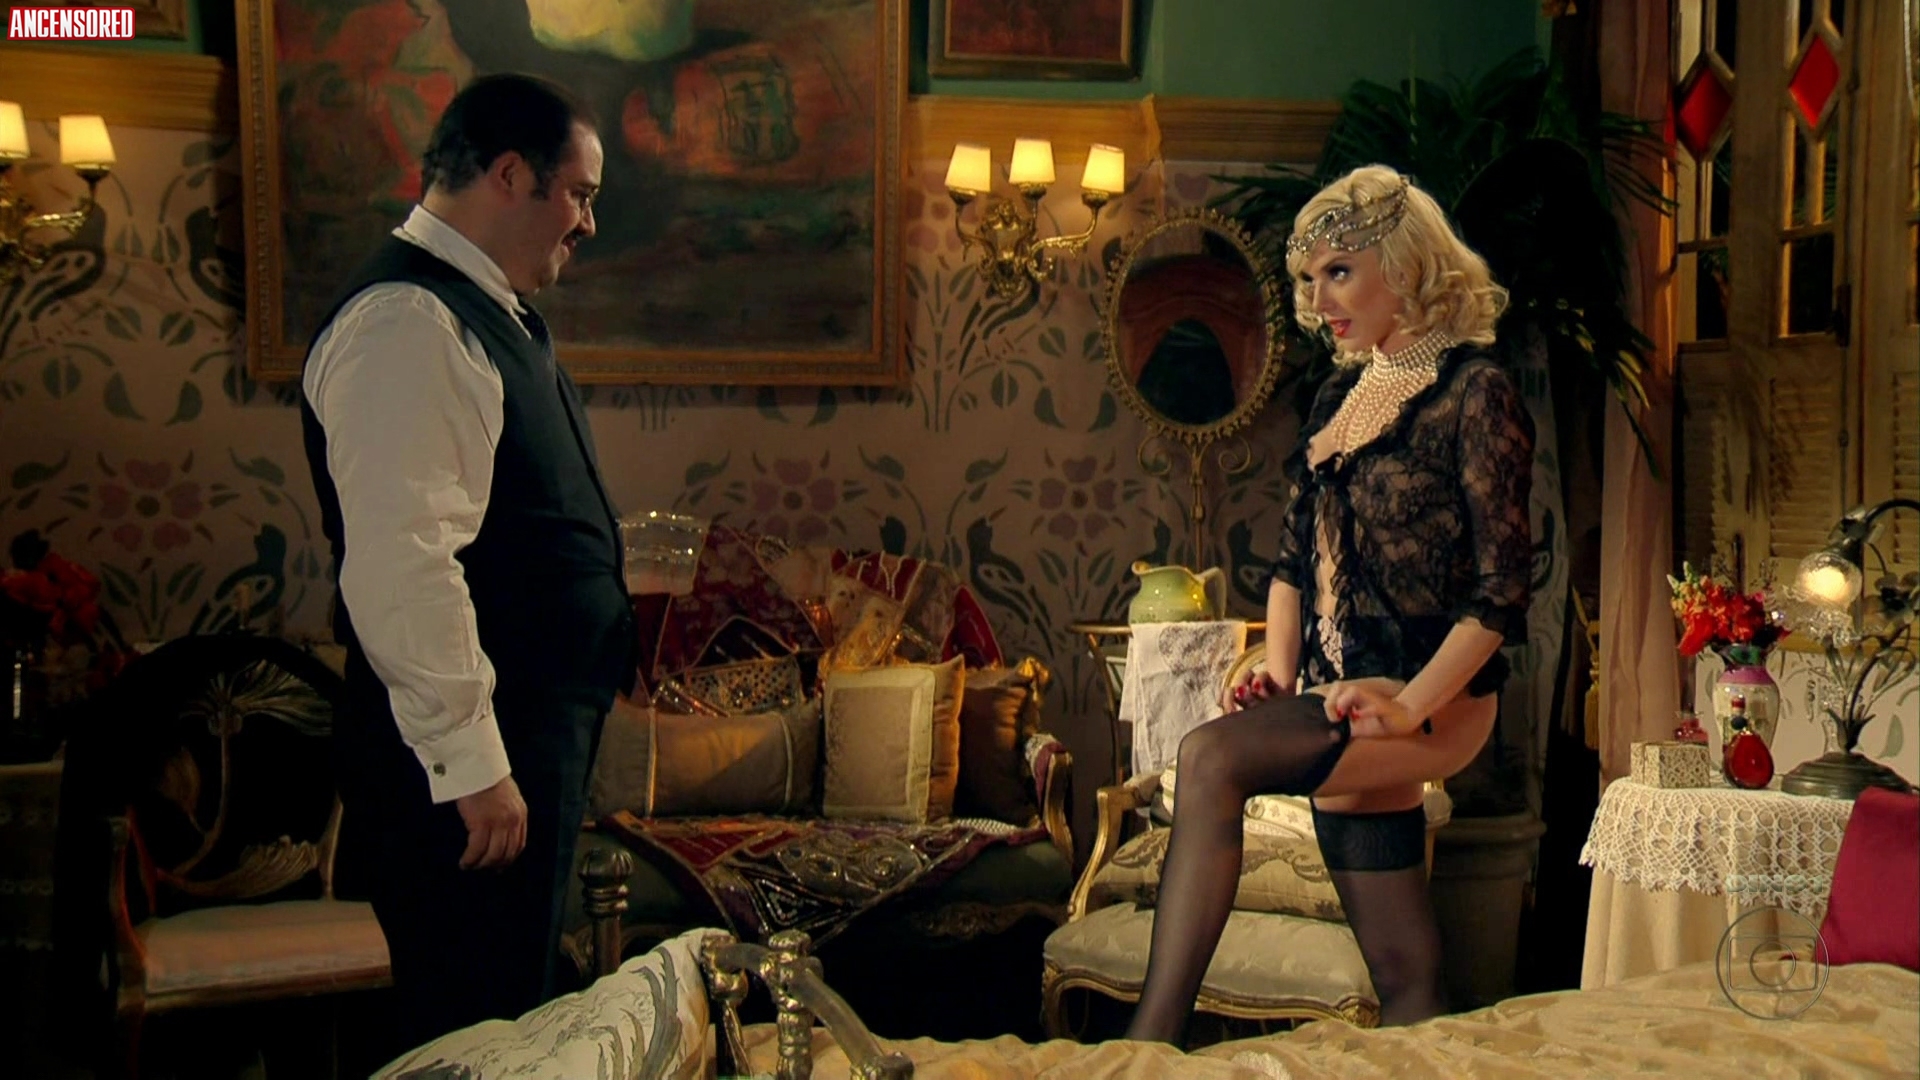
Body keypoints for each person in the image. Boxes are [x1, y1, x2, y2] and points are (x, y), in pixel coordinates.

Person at [1124, 164, 1535, 1043]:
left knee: (1208, 760)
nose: (1318, 301)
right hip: (1337, 693)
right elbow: (1291, 563)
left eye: (1339, 272)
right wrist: (1278, 674)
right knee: (1406, 972)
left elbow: (1501, 592)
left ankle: (1146, 1051)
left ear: (1405, 263)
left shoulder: (1473, 391)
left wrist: (1409, 705)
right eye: (1310, 279)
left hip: (1435, 700)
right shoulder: (1339, 396)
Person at [299, 73, 635, 1052]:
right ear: (510, 175)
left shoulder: (487, 311)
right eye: (580, 195)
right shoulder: (409, 320)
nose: (588, 224)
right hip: (470, 769)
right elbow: (404, 563)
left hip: (517, 743)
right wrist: (472, 762)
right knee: (465, 1036)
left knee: (508, 1024)